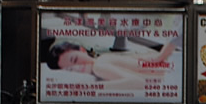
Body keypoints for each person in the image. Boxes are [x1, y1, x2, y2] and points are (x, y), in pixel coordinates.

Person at [43, 36, 180, 87]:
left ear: (81, 50)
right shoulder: (104, 60)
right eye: (70, 69)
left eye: (75, 60)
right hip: (175, 72)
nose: (79, 67)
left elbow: (137, 82)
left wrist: (95, 90)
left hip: (172, 78)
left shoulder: (99, 66)